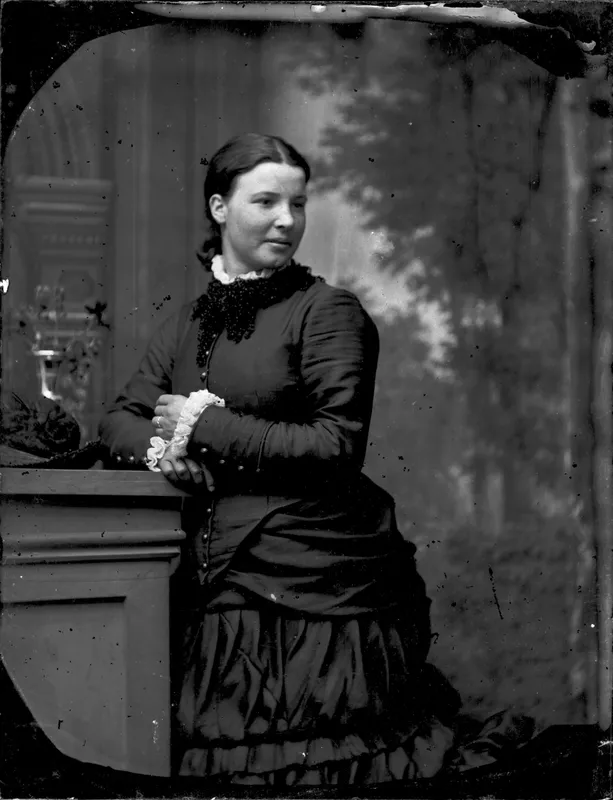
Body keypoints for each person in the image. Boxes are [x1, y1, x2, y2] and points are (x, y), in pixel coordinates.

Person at [99, 133, 531, 786]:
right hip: (210, 576)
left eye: (297, 204)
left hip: (315, 578)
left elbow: (335, 446)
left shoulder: (328, 312)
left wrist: (204, 424)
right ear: (219, 208)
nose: (286, 220)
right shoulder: (189, 321)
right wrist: (165, 454)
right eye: (266, 202)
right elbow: (119, 420)